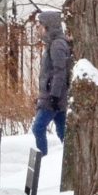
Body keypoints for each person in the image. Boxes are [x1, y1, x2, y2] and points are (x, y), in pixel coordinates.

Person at [31, 10, 71, 156]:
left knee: (38, 128)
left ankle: (43, 159)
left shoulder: (57, 45)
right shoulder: (52, 44)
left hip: (53, 98)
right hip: (53, 97)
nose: (38, 28)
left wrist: (53, 95)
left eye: (40, 25)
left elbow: (59, 71)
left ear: (48, 26)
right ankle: (68, 158)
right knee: (63, 132)